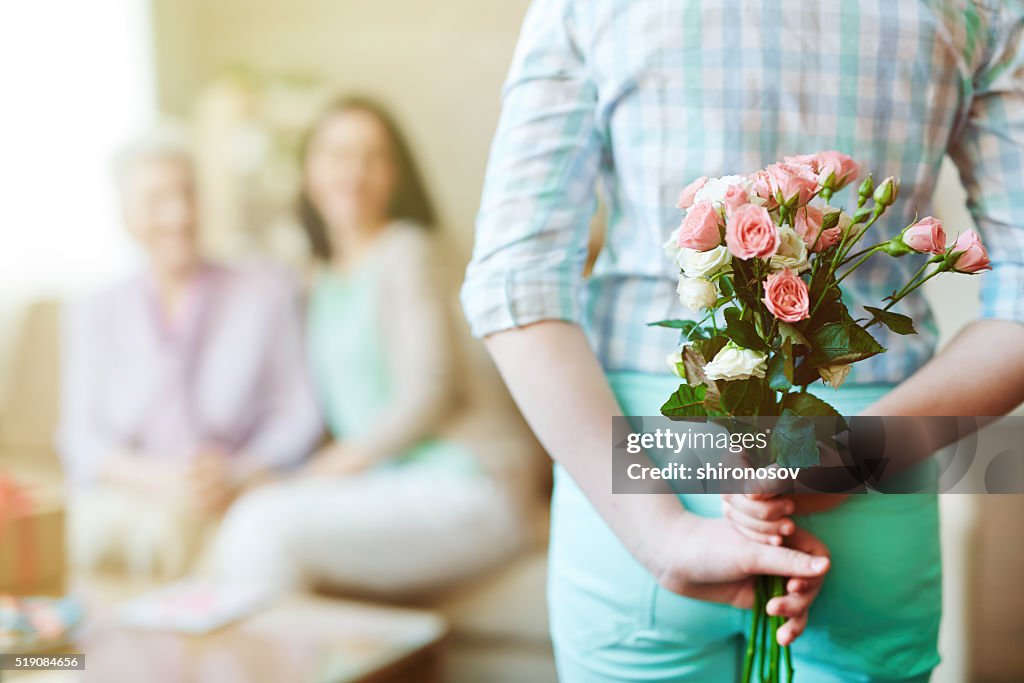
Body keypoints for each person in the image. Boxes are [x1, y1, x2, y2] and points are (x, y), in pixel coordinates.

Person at [461, 2, 1024, 682]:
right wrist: (850, 454)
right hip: (875, 478)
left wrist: (661, 536)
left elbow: (512, 280)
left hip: (631, 470)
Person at [212, 97, 537, 597]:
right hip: (388, 484)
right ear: (309, 170)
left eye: (374, 157)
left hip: (465, 483)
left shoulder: (406, 250)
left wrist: (329, 469)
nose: (355, 172)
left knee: (263, 527)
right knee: (250, 518)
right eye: (338, 155)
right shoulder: (317, 277)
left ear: (396, 176)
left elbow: (428, 392)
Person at [58, 124, 323, 577]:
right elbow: (80, 439)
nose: (178, 215)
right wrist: (163, 481)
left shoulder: (266, 290)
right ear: (125, 214)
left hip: (237, 489)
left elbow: (298, 415)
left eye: (188, 194)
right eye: (156, 200)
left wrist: (238, 472)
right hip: (138, 494)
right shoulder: (92, 311)